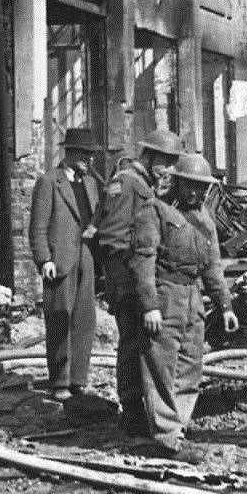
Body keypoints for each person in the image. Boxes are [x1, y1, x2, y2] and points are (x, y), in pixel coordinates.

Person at [131, 152, 238, 456]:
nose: (196, 193)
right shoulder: (155, 211)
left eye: (202, 188)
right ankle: (165, 435)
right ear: (176, 182)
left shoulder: (205, 218)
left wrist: (225, 305)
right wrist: (149, 305)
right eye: (190, 185)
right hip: (165, 294)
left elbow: (213, 266)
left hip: (194, 298)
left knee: (191, 365)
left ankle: (177, 425)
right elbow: (143, 261)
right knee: (161, 366)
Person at [93, 127, 184, 436]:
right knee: (131, 345)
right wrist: (129, 284)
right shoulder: (126, 184)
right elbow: (113, 239)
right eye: (166, 161)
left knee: (140, 344)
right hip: (126, 278)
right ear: (149, 155)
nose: (170, 168)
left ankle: (141, 412)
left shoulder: (143, 184)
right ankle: (132, 415)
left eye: (173, 162)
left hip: (135, 276)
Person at [29, 127, 103, 401]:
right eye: (85, 154)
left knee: (85, 319)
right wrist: (44, 259)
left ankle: (78, 380)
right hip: (60, 259)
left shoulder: (91, 184)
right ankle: (59, 380)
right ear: (69, 152)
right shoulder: (49, 182)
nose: (90, 160)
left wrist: (96, 229)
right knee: (60, 316)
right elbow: (37, 227)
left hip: (86, 255)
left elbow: (95, 216)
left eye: (91, 154)